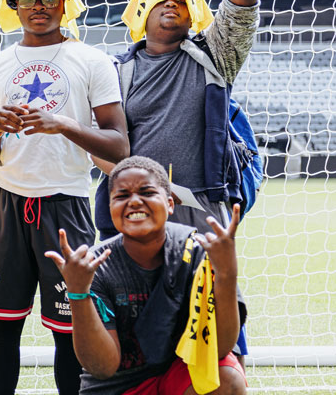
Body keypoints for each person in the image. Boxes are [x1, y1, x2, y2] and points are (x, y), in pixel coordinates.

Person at [0, 0, 130, 395]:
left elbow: (119, 146)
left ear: (66, 3)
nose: (38, 6)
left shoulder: (93, 61)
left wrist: (62, 124)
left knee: (69, 330)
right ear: (13, 5)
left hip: (66, 206)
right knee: (4, 329)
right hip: (5, 205)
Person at [94, 0, 261, 239]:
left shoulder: (215, 55)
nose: (172, 2)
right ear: (141, 13)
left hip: (201, 203)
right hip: (134, 202)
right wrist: (146, 187)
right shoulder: (113, 70)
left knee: (205, 274)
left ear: (194, 14)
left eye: (182, 0)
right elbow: (99, 146)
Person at [46, 156, 247, 394]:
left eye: (147, 192)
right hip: (118, 387)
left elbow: (220, 348)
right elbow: (102, 368)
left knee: (227, 379)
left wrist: (226, 273)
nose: (134, 201)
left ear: (170, 204)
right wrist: (78, 292)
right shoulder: (95, 266)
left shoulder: (196, 251)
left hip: (179, 376)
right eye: (122, 196)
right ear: (110, 208)